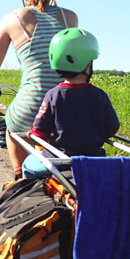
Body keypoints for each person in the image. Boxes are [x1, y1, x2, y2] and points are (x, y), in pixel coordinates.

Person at [0, 0, 78, 180]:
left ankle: (19, 179)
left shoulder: (13, 18)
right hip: (68, 106)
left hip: (30, 106)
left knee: (12, 127)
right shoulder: (70, 17)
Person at [23, 28, 120, 178]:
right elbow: (111, 130)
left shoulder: (52, 95)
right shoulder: (100, 95)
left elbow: (40, 132)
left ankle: (27, 195)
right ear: (87, 65)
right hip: (94, 160)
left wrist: (33, 134)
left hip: (59, 160)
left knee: (27, 165)